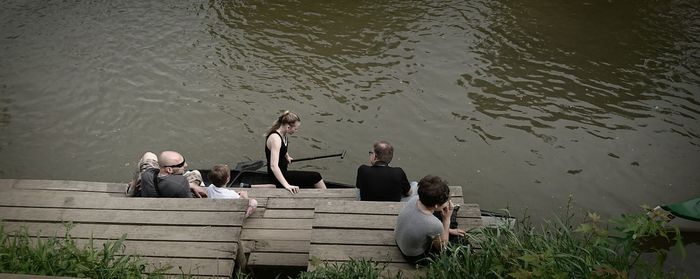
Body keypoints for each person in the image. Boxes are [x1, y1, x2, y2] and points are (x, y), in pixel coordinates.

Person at [394, 175, 466, 265]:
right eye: (446, 200)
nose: (448, 202)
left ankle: (449, 228)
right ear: (436, 205)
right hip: (414, 257)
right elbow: (442, 247)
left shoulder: (415, 199)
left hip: (400, 241)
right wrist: (446, 220)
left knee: (442, 222)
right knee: (462, 242)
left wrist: (449, 230)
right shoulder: (434, 224)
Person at [265, 111, 327, 194]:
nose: (296, 130)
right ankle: (327, 197)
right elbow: (273, 166)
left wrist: (287, 156)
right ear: (288, 127)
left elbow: (282, 148)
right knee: (316, 176)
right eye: (296, 128)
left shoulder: (283, 134)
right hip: (278, 176)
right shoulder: (275, 139)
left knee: (311, 179)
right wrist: (287, 186)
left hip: (284, 171)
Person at [125, 151, 207, 198]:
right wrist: (191, 185)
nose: (186, 165)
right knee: (196, 173)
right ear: (169, 169)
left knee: (149, 155)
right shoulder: (181, 183)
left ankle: (132, 190)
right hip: (170, 198)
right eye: (181, 164)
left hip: (150, 190)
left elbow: (148, 171)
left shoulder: (147, 174)